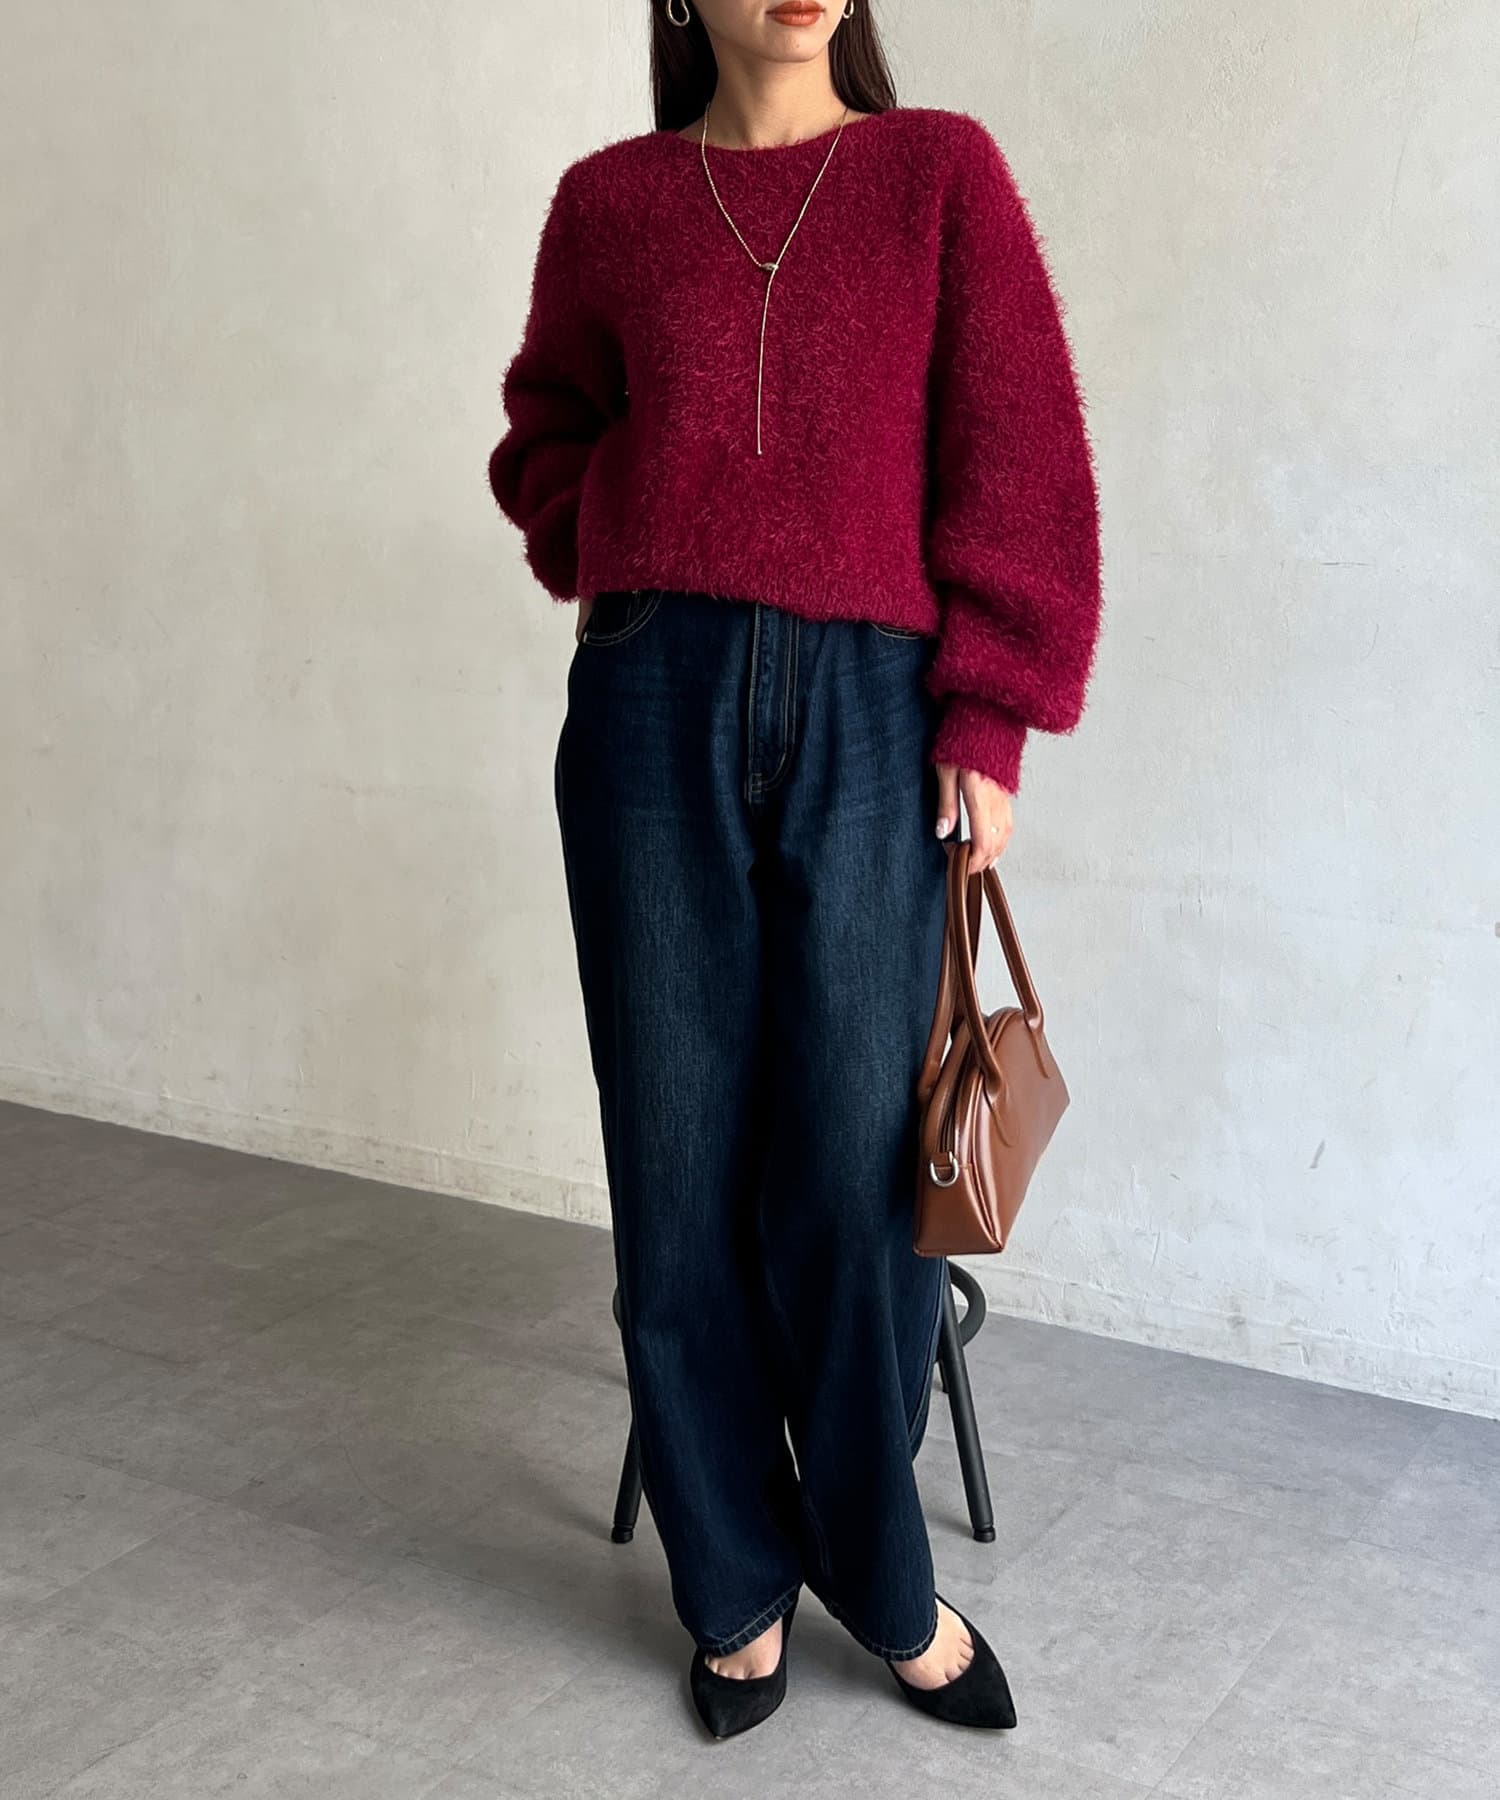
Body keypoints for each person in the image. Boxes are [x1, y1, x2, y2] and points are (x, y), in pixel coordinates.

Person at [488, 0, 1102, 1741]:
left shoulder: (935, 175)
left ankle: (882, 1581)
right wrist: (623, 526)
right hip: (651, 692)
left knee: (860, 1168)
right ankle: (734, 1585)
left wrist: (988, 715)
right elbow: (543, 431)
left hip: (871, 707)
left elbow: (1018, 453)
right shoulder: (612, 203)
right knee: (674, 1160)